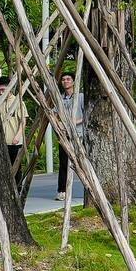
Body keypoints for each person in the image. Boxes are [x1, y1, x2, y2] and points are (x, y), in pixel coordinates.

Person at [53, 70, 84, 201]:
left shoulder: (81, 96)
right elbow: (54, 114)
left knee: (83, 162)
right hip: (64, 136)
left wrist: (74, 123)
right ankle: (62, 190)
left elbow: (87, 113)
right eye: (63, 79)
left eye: (68, 79)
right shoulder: (60, 98)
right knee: (64, 163)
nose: (65, 81)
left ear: (73, 82)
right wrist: (59, 125)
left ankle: (89, 187)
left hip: (78, 134)